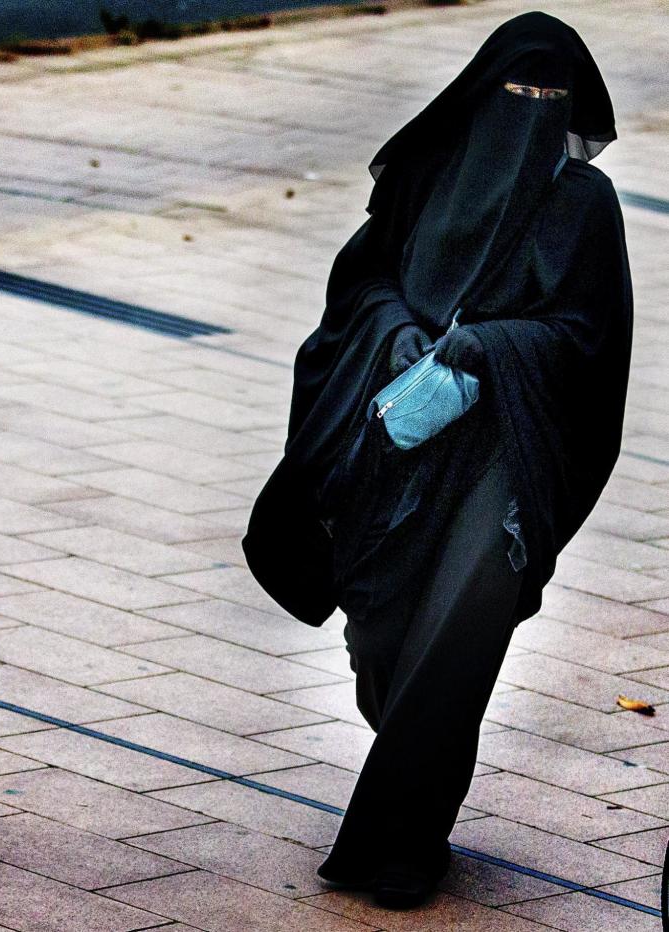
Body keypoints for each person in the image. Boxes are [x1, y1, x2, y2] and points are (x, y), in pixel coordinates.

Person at [241, 11, 633, 909]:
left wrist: (488, 350)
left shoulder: (583, 205)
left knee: (457, 642)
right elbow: (359, 289)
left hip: (507, 457)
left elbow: (588, 336)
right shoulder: (427, 178)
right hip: (396, 454)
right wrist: (399, 336)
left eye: (550, 99)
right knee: (386, 644)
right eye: (514, 93)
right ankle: (414, 782)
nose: (528, 114)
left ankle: (404, 846)